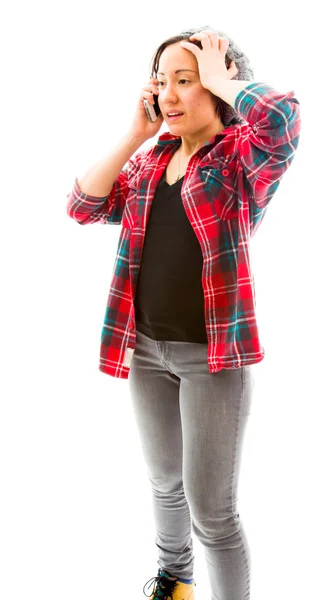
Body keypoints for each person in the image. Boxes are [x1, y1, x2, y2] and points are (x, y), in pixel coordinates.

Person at [66, 26, 301, 600]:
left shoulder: (240, 161)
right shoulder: (152, 161)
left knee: (213, 512)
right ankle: (176, 583)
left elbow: (283, 120)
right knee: (165, 484)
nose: (168, 95)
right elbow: (82, 205)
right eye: (162, 81)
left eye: (185, 81)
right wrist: (133, 134)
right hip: (145, 347)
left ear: (219, 88)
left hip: (212, 358)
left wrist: (226, 79)